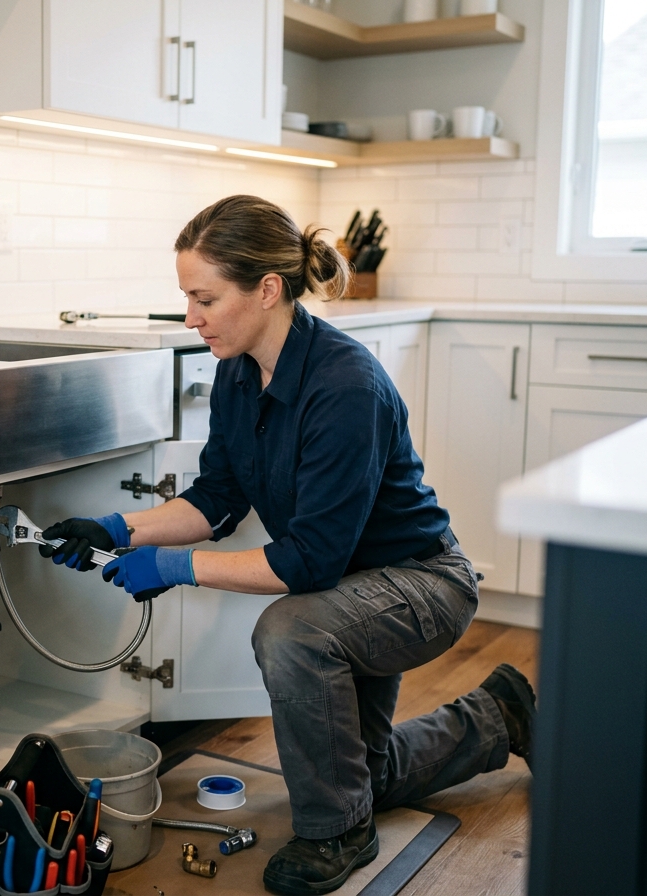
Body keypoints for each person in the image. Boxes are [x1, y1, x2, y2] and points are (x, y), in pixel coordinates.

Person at [40, 195, 537, 895]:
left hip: (422, 585)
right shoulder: (239, 372)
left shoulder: (345, 386)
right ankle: (496, 716)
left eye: (204, 297)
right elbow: (216, 497)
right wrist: (119, 531)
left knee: (291, 632)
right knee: (360, 776)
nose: (190, 317)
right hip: (353, 591)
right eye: (187, 297)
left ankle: (337, 835)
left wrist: (174, 568)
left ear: (267, 289)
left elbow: (309, 561)